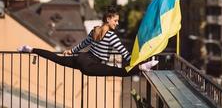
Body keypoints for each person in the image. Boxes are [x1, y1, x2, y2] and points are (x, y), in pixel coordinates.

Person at [18, 6, 158, 76]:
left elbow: (83, 44)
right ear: (108, 19)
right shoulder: (111, 36)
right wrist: (139, 61)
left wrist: (71, 51)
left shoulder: (94, 30)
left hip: (82, 57)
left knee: (56, 58)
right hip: (89, 65)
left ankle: (29, 49)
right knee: (120, 71)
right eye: (115, 20)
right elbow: (125, 55)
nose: (117, 23)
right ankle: (143, 67)